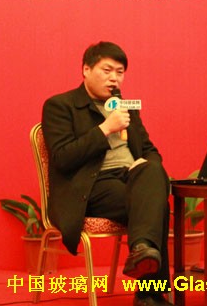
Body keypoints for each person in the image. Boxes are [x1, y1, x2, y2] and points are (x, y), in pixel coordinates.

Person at [42, 41, 172, 306]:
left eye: (120, 72)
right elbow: (63, 158)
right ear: (86, 70)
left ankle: (141, 252)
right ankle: (149, 293)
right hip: (90, 186)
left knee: (152, 170)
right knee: (156, 204)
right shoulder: (60, 105)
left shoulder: (125, 106)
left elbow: (150, 150)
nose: (114, 78)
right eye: (107, 70)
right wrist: (105, 129)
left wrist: (143, 164)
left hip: (131, 178)